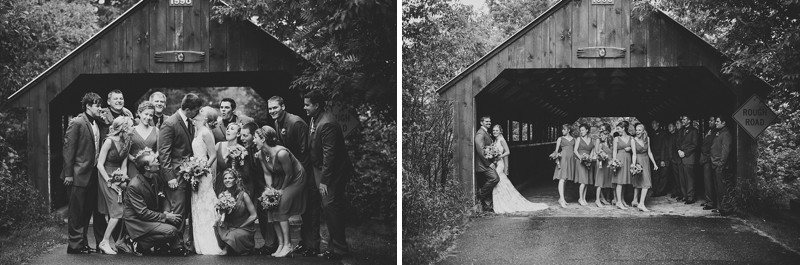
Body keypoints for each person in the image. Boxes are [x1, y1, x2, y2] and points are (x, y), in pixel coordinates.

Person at [268, 96, 319, 257]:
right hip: (291, 171)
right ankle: (304, 243)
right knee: (302, 208)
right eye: (270, 109)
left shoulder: (296, 123)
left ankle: (313, 245)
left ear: (283, 106)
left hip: (305, 172)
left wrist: (299, 177)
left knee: (310, 209)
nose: (272, 111)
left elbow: (305, 152)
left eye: (275, 108)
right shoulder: (277, 123)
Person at [305, 91, 353, 260]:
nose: (305, 107)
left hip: (333, 172)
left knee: (330, 206)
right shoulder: (315, 118)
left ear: (316, 105)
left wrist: (324, 181)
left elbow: (330, 156)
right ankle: (329, 247)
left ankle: (339, 249)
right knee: (325, 206)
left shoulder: (327, 123)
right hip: (318, 168)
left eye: (307, 105)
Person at [156, 93, 203, 256]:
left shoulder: (188, 122)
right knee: (178, 210)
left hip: (187, 173)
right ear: (188, 109)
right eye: (197, 110)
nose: (198, 112)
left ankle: (178, 242)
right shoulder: (170, 123)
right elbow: (164, 153)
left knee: (183, 210)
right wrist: (170, 177)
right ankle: (176, 244)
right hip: (176, 175)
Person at [62, 92, 108, 254]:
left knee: (88, 210)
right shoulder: (77, 122)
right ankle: (74, 246)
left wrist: (103, 116)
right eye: (97, 105)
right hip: (77, 174)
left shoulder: (98, 122)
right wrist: (68, 174)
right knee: (77, 212)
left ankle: (84, 244)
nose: (100, 108)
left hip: (92, 174)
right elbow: (68, 149)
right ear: (88, 106)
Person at [254, 126, 307, 257]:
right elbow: (267, 174)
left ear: (263, 139)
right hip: (280, 178)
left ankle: (288, 245)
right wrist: (270, 190)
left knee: (281, 204)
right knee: (271, 206)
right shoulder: (261, 154)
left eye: (255, 138)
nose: (254, 140)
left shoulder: (281, 153)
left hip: (295, 178)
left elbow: (289, 174)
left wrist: (281, 191)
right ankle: (281, 245)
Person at [124, 151, 182, 256]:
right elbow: (142, 213)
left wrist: (166, 211)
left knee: (176, 221)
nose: (158, 162)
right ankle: (139, 242)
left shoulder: (155, 177)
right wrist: (165, 216)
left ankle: (176, 248)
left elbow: (162, 196)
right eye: (154, 160)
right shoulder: (134, 185)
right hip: (138, 222)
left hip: (150, 217)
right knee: (171, 231)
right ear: (147, 168)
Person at [239, 122, 280, 255]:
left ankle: (272, 244)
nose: (242, 138)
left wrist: (270, 189)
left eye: (245, 135)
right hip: (257, 186)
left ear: (253, 135)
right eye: (241, 135)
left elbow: (272, 170)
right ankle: (269, 244)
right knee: (263, 217)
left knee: (270, 216)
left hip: (269, 185)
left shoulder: (264, 149)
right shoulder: (248, 150)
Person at [95, 116, 133, 254]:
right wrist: (110, 182)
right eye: (131, 126)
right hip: (105, 175)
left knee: (115, 211)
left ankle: (115, 241)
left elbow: (124, 165)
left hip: (118, 176)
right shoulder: (109, 142)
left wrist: (122, 180)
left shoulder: (127, 142)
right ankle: (104, 242)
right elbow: (99, 164)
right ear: (124, 128)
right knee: (118, 212)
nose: (133, 128)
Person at [490, 125, 548, 213]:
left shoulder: (502, 140)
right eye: (493, 130)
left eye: (496, 130)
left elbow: (508, 151)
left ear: (500, 131)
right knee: (499, 183)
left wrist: (499, 157)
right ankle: (501, 203)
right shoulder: (495, 140)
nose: (494, 132)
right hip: (496, 163)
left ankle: (503, 204)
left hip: (500, 163)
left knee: (496, 181)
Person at [190, 106, 224, 255]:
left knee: (205, 203)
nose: (199, 110)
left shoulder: (206, 132)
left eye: (202, 111)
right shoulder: (197, 130)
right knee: (197, 204)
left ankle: (212, 241)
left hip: (203, 173)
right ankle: (200, 242)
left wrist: (202, 169)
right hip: (195, 171)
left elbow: (213, 155)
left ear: (206, 117)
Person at [214, 168, 257, 255]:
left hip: (243, 227)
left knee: (233, 235)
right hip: (229, 225)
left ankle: (228, 248)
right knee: (216, 225)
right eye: (225, 178)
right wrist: (221, 219)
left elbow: (254, 215)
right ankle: (230, 246)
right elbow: (221, 214)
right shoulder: (222, 195)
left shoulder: (243, 195)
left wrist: (242, 225)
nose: (227, 180)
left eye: (230, 178)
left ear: (236, 180)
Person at [128, 101, 159, 182]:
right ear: (139, 113)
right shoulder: (131, 130)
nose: (148, 117)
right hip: (134, 167)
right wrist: (135, 159)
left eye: (151, 115)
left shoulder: (156, 130)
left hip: (150, 168)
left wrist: (154, 157)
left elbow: (159, 149)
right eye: (146, 114)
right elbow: (125, 151)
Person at [631, 123, 659, 212]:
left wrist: (654, 164)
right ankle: (641, 204)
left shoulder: (647, 139)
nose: (637, 131)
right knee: (645, 183)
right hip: (639, 161)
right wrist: (634, 164)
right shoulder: (633, 140)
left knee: (645, 183)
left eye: (639, 130)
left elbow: (649, 152)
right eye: (636, 130)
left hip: (646, 161)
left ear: (643, 131)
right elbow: (634, 154)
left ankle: (639, 203)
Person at [474, 115, 500, 211]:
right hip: (483, 164)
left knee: (492, 179)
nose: (489, 123)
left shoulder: (486, 132)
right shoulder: (480, 133)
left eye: (489, 121)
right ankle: (479, 196)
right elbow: (481, 150)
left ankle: (486, 202)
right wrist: (489, 163)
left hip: (487, 162)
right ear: (481, 123)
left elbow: (488, 148)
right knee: (494, 178)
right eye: (486, 121)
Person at [710, 117, 733, 215]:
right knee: (717, 188)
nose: (715, 123)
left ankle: (725, 209)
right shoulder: (718, 132)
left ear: (724, 122)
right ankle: (720, 207)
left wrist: (721, 164)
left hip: (720, 165)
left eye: (718, 121)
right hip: (715, 163)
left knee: (722, 188)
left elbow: (725, 150)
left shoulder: (726, 134)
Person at [552, 124, 576, 208]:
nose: (562, 131)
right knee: (562, 178)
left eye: (564, 129)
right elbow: (556, 151)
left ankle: (561, 198)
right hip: (563, 158)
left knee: (565, 179)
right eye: (562, 129)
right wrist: (556, 156)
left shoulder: (574, 139)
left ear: (569, 130)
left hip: (571, 159)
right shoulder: (560, 139)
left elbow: (575, 150)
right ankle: (562, 199)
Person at [677, 115, 699, 204]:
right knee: (682, 179)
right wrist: (678, 150)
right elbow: (677, 142)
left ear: (689, 121)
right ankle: (685, 196)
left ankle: (691, 197)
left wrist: (684, 153)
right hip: (680, 157)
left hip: (689, 157)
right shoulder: (680, 131)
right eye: (682, 119)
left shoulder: (694, 131)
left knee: (690, 179)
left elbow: (694, 144)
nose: (683, 120)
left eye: (685, 119)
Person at [612, 121, 633, 210]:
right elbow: (614, 151)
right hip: (620, 159)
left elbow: (635, 149)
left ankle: (622, 200)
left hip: (628, 159)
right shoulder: (616, 138)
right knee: (620, 182)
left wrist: (631, 148)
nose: (617, 131)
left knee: (624, 182)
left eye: (619, 129)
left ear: (624, 128)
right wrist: (614, 161)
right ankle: (618, 202)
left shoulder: (631, 138)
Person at [593, 123, 614, 207]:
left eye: (603, 133)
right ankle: (598, 199)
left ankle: (608, 198)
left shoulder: (611, 143)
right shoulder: (600, 143)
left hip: (609, 164)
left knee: (608, 180)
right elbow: (597, 151)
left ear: (607, 134)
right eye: (600, 134)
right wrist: (601, 154)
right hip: (602, 164)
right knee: (600, 181)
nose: (601, 135)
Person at [573, 124, 594, 206]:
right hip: (581, 161)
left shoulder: (591, 139)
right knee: (583, 181)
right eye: (580, 130)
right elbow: (575, 150)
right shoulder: (579, 139)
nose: (581, 132)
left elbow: (592, 150)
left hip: (588, 161)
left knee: (587, 181)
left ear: (587, 130)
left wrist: (590, 158)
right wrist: (581, 157)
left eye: (582, 130)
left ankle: (584, 198)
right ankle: (580, 198)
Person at [700, 117, 718, 210]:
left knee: (709, 181)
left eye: (712, 120)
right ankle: (709, 200)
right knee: (707, 181)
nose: (709, 122)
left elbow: (708, 146)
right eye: (709, 120)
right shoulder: (709, 131)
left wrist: (707, 137)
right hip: (706, 159)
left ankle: (711, 202)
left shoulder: (715, 133)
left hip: (709, 159)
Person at [649, 120, 668, 196]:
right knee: (655, 175)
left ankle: (660, 191)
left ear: (658, 123)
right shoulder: (651, 133)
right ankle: (655, 190)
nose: (652, 125)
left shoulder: (663, 133)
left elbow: (663, 147)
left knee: (662, 175)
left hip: (660, 157)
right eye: (652, 123)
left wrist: (663, 159)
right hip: (653, 157)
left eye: (654, 123)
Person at [668, 120, 684, 201]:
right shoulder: (672, 135)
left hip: (677, 159)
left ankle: (681, 194)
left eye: (678, 123)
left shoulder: (679, 134)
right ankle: (676, 192)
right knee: (675, 177)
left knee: (679, 178)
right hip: (673, 159)